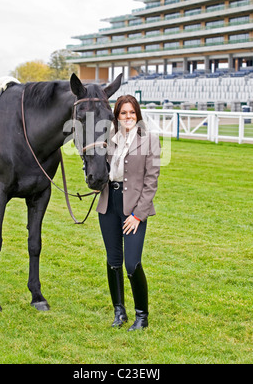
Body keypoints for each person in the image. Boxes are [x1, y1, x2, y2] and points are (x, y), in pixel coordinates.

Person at [96, 95, 160, 331]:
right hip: (108, 204)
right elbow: (99, 169)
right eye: (123, 113)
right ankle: (119, 312)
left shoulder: (150, 140)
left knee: (132, 263)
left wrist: (137, 215)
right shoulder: (108, 139)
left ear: (138, 114)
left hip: (133, 208)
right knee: (113, 262)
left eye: (132, 112)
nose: (128, 117)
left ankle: (142, 317)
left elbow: (151, 182)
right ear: (117, 116)